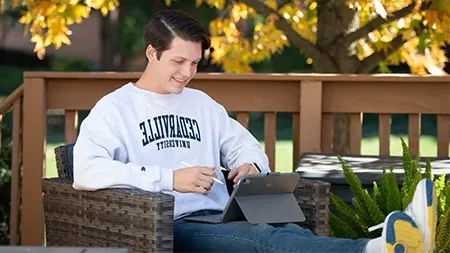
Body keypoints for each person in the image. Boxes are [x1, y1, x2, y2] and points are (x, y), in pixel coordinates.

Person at [72, 9, 437, 253]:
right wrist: (170, 178)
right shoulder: (115, 109)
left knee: (287, 233)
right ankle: (375, 248)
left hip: (224, 213)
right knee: (263, 238)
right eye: (178, 61)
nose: (187, 72)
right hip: (168, 226)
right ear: (152, 53)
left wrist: (249, 166)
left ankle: (401, 237)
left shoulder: (201, 104)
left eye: (195, 62)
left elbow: (246, 145)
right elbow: (86, 170)